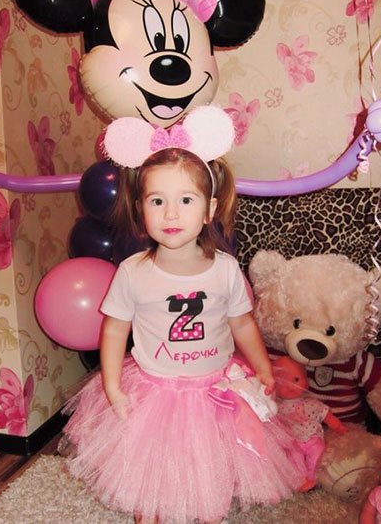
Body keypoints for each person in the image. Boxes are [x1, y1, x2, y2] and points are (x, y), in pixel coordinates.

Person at [59, 106, 306, 524]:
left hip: (214, 390)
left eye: (185, 200)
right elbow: (115, 330)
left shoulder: (225, 269)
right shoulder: (133, 272)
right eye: (157, 201)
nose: (171, 213)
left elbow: (242, 323)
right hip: (154, 392)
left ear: (209, 209)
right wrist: (113, 386)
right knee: (150, 478)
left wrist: (263, 366)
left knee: (209, 473)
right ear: (140, 208)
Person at [272, 356, 348, 492]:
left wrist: (338, 427)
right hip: (292, 441)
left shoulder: (312, 403)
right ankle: (299, 481)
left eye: (296, 379)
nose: (290, 386)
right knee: (293, 458)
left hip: (312, 437)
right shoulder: (276, 407)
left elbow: (327, 415)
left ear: (306, 382)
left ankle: (313, 478)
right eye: (282, 382)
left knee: (318, 452)